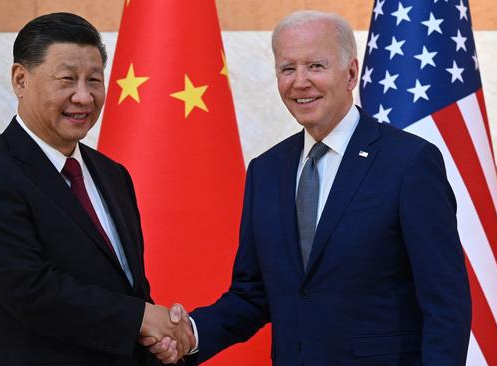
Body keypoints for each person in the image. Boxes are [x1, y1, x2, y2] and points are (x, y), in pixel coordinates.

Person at [146, 10, 471, 366]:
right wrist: (190, 333)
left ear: (350, 73)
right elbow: (252, 294)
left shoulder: (409, 163)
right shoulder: (266, 171)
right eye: (288, 69)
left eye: (316, 66)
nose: (300, 82)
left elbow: (445, 303)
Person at [0, 12, 193, 365]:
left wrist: (157, 338)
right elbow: (30, 291)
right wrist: (139, 318)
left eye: (94, 80)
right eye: (67, 79)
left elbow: (127, 287)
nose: (84, 97)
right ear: (21, 79)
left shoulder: (112, 175)